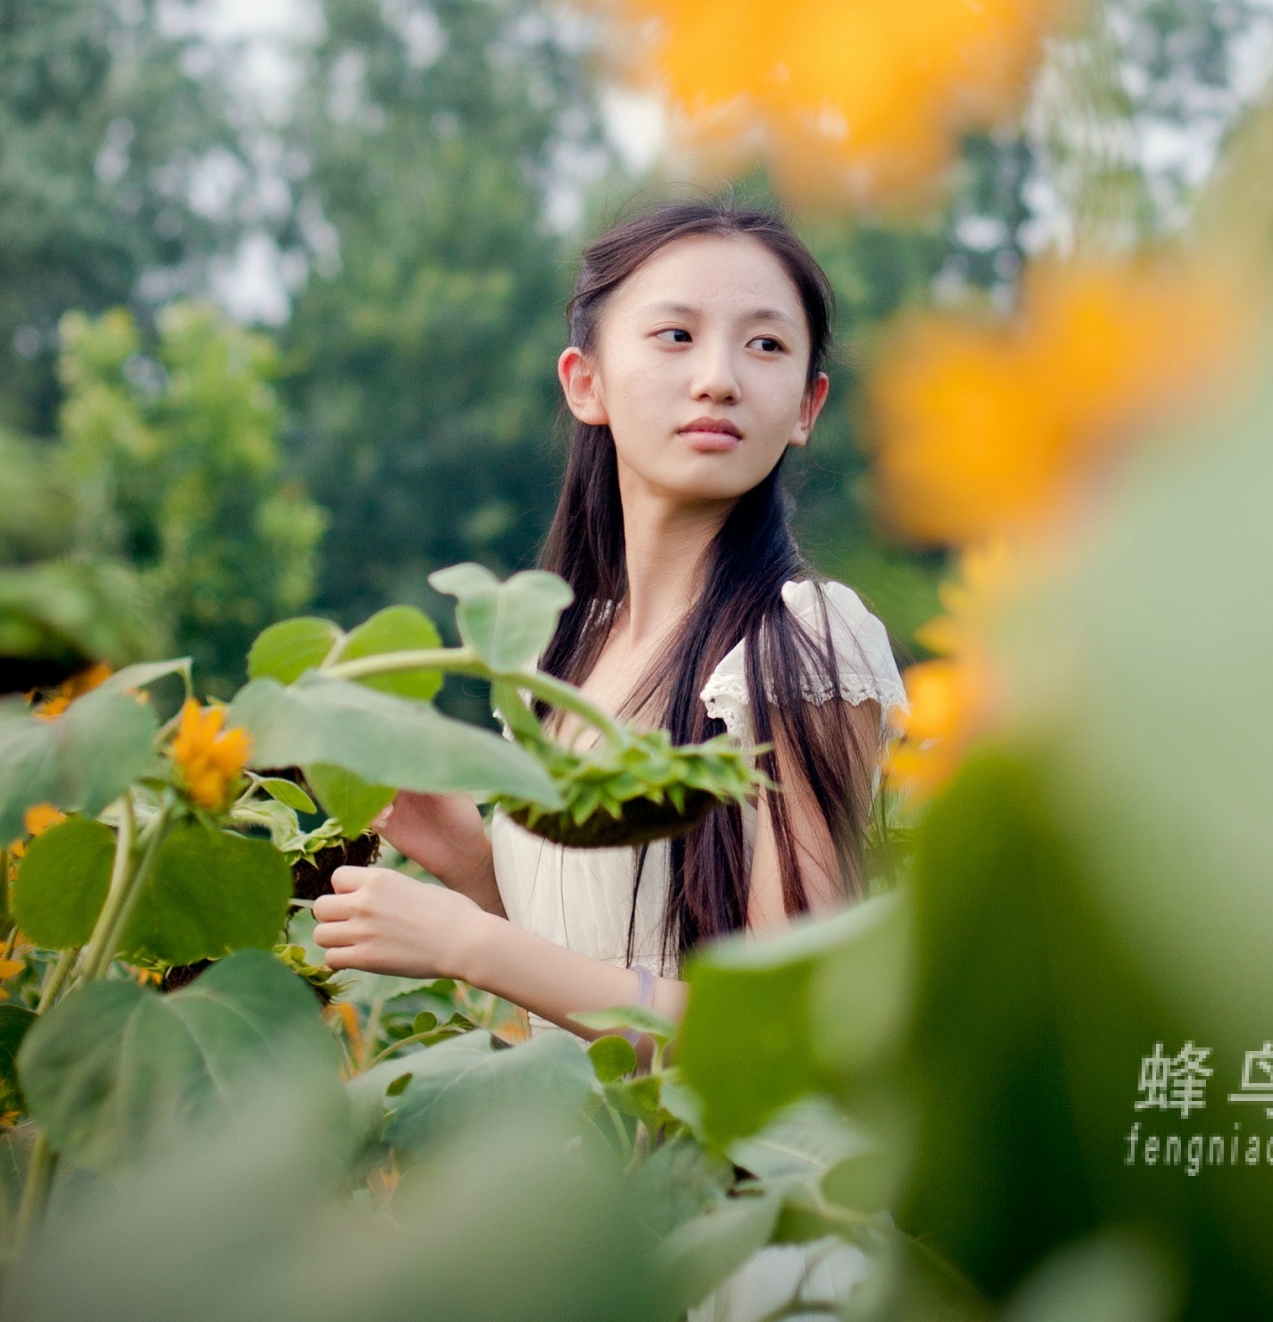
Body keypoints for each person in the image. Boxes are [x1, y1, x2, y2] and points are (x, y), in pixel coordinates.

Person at [312, 197, 906, 1032]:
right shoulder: (563, 656)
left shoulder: (800, 641)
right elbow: (586, 968)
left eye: (765, 344)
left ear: (807, 407)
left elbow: (786, 1034)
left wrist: (469, 945)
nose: (719, 378)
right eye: (676, 335)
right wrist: (470, 863)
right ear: (584, 381)